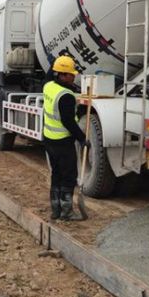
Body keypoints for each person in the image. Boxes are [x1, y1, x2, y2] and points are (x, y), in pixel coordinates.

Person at [43, 55, 88, 221]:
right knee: (69, 176)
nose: (73, 76)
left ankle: (56, 210)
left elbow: (48, 76)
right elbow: (68, 121)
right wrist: (82, 138)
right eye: (70, 73)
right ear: (62, 74)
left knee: (56, 174)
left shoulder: (48, 86)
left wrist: (53, 61)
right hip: (62, 141)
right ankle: (67, 211)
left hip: (49, 138)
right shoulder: (66, 96)